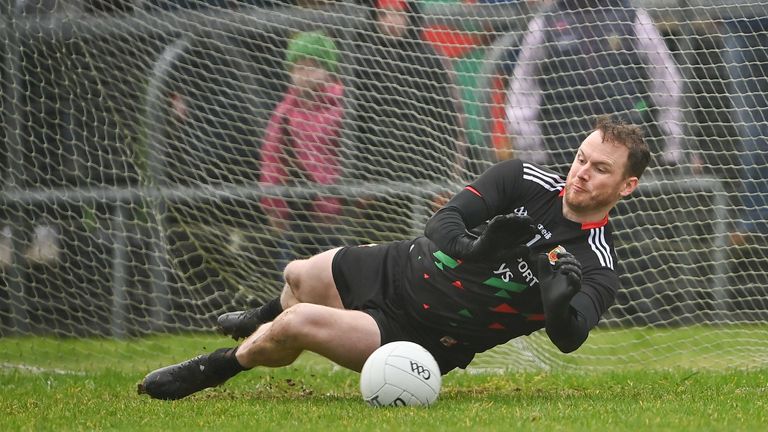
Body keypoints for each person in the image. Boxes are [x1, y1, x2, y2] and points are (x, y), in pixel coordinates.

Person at [137, 115, 650, 400]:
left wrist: (558, 305)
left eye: (599, 169)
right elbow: (441, 224)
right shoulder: (520, 179)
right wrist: (479, 247)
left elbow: (570, 337)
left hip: (422, 335)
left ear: (626, 187)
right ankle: (257, 316)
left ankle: (219, 368)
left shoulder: (598, 264)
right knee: (295, 276)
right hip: (397, 265)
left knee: (296, 324)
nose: (580, 173)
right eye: (581, 158)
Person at [505, 0, 681, 172]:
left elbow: (666, 85)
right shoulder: (545, 23)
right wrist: (533, 156)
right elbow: (523, 91)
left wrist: (671, 149)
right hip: (561, 155)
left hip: (622, 157)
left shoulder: (633, 18)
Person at [343, 0, 465, 242]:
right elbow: (356, 124)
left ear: (411, 17)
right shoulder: (364, 59)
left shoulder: (429, 58)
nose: (391, 22)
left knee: (422, 249)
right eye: (385, 15)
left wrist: (442, 179)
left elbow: (445, 121)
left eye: (398, 15)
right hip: (377, 180)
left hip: (424, 176)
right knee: (381, 247)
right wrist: (360, 178)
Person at [258, 31, 347, 260]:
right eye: (298, 68)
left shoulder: (344, 106)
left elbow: (350, 157)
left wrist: (341, 201)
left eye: (312, 67)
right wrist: (273, 203)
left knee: (335, 271)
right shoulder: (284, 112)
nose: (304, 74)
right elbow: (272, 159)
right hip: (295, 208)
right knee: (291, 273)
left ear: (329, 70)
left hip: (337, 209)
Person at [722, 17, 768, 244]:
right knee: (754, 131)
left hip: (739, 25)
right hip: (741, 26)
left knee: (754, 129)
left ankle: (754, 221)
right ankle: (754, 220)